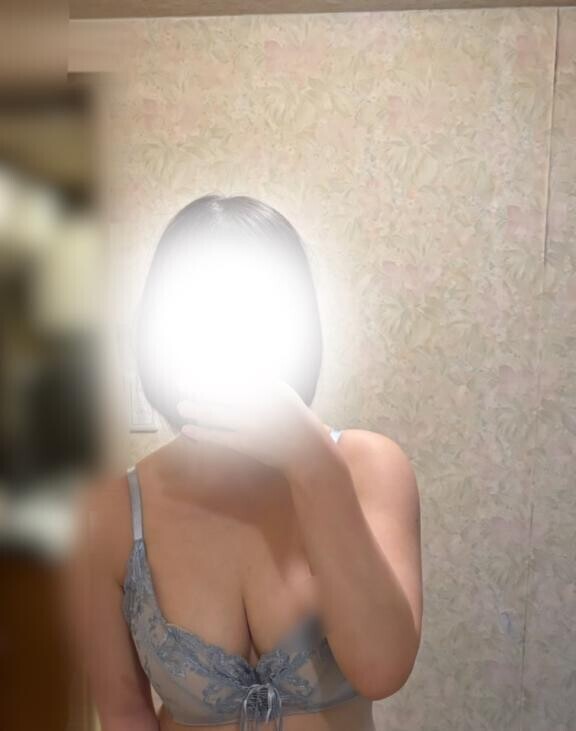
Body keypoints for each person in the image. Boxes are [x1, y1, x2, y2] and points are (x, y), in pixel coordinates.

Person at [65, 194, 423, 731]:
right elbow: (123, 714)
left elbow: (383, 670)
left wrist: (316, 467)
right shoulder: (108, 514)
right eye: (199, 316)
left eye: (252, 315)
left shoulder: (369, 467)